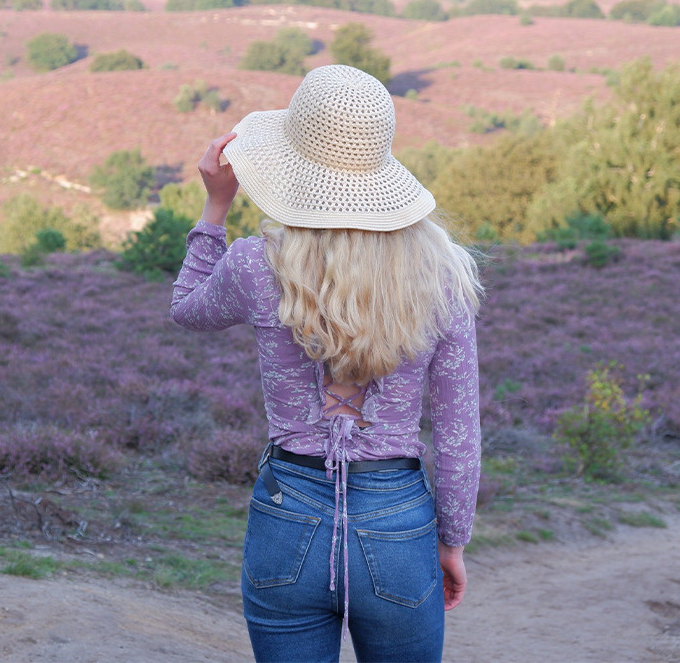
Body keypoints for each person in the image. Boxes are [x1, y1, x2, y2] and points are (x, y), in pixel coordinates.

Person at [170, 65, 482, 663]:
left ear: (292, 165)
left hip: (287, 516)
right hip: (398, 524)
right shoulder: (442, 274)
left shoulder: (255, 263)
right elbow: (457, 431)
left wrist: (215, 206)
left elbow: (186, 307)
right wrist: (452, 542)